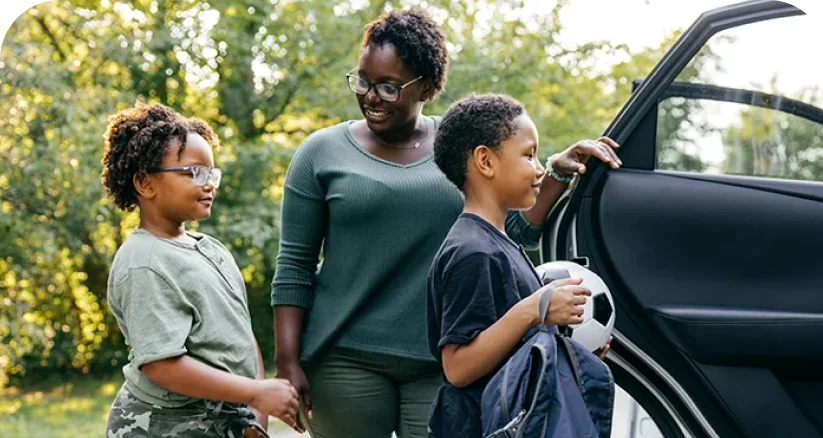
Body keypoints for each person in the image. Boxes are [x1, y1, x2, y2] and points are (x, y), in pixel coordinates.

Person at [271, 9, 621, 438]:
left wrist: (557, 175)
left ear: (427, 87)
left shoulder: (464, 145)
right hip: (345, 360)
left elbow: (506, 234)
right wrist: (287, 361)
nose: (371, 96)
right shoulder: (320, 153)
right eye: (363, 80)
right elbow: (294, 266)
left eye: (389, 86)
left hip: (441, 361)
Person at [101, 102, 299, 437]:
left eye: (211, 173)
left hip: (221, 422)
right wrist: (254, 393)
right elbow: (161, 365)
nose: (209, 184)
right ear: (145, 183)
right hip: (162, 425)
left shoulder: (210, 249)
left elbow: (241, 337)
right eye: (194, 172)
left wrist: (252, 416)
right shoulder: (143, 261)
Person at [427, 93, 614, 437]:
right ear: (485, 161)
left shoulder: (497, 242)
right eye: (528, 155)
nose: (540, 167)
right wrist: (534, 308)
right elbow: (457, 366)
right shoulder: (473, 252)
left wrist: (571, 355)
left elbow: (514, 351)